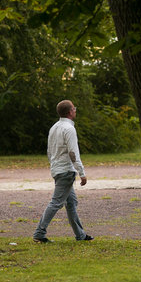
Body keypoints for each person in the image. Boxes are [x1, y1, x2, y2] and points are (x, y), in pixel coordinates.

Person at [33, 99, 93, 243]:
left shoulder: (54, 127)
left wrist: (53, 165)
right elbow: (73, 153)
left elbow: (50, 151)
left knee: (71, 203)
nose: (75, 110)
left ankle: (80, 235)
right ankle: (39, 233)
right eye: (74, 108)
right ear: (69, 112)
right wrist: (82, 173)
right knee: (56, 203)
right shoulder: (69, 129)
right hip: (66, 170)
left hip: (57, 169)